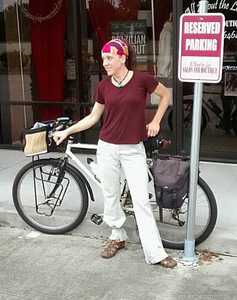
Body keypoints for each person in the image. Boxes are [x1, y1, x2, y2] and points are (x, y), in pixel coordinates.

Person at [53, 39, 177, 268]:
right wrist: (67, 131)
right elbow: (93, 118)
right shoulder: (103, 86)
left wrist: (157, 121)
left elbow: (166, 96)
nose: (105, 63)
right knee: (110, 195)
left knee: (141, 200)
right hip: (107, 147)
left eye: (109, 58)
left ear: (122, 57)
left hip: (133, 150)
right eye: (103, 59)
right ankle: (116, 236)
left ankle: (156, 253)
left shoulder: (142, 79)